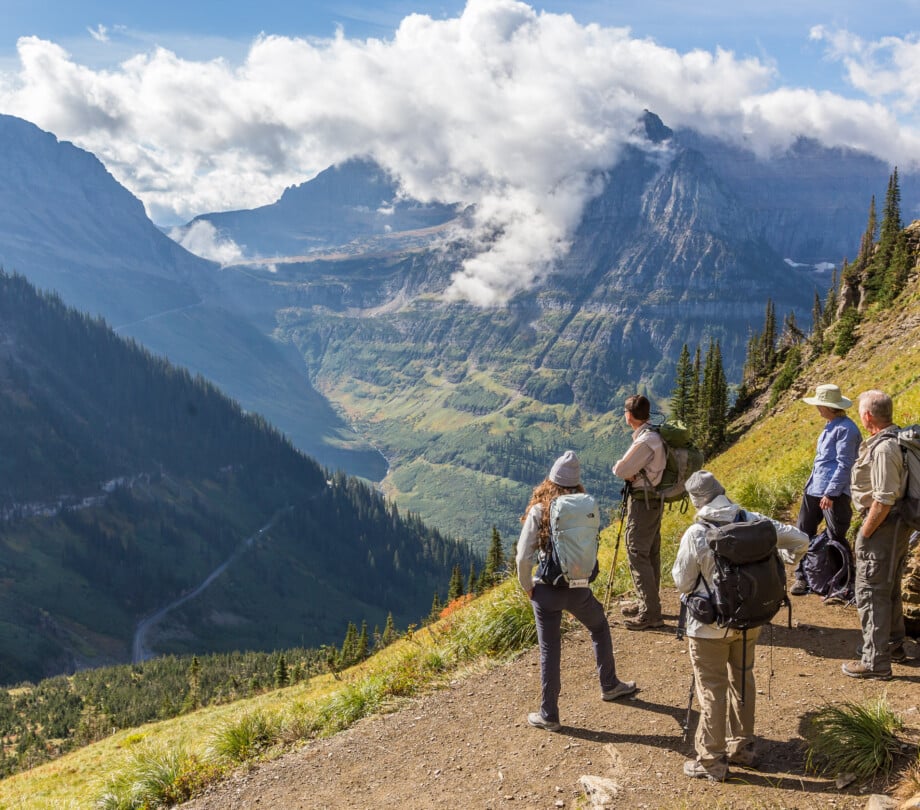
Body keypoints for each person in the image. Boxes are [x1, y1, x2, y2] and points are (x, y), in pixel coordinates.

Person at [672, 470, 807, 781]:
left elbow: (682, 581)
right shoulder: (754, 521)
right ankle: (742, 747)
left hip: (708, 627)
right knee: (742, 679)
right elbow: (801, 540)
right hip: (750, 620)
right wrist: (786, 558)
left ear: (695, 501)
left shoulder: (696, 534)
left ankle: (711, 760)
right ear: (722, 491)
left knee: (712, 689)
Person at [516, 450, 637, 731]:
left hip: (546, 590)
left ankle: (549, 715)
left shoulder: (539, 510)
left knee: (549, 649)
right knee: (599, 627)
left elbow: (523, 556)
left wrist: (528, 587)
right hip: (579, 587)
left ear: (551, 480)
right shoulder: (585, 507)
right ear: (577, 483)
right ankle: (609, 684)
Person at [842, 390, 912, 679]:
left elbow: (884, 498)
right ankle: (893, 645)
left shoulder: (884, 449)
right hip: (895, 526)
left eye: (860, 410)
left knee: (871, 590)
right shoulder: (895, 441)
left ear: (868, 416)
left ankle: (875, 661)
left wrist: (866, 533)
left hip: (883, 524)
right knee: (888, 587)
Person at [790, 384, 862, 597]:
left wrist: (830, 493)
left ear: (828, 407)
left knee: (836, 535)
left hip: (834, 492)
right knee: (803, 532)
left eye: (819, 405)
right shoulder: (831, 425)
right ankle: (803, 577)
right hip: (814, 487)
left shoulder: (847, 429)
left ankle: (843, 581)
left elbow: (844, 464)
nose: (817, 408)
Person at [612, 394, 667, 630]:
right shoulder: (652, 435)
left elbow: (621, 469)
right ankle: (648, 601)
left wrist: (628, 472)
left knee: (636, 551)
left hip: (644, 501)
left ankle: (651, 613)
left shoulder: (645, 441)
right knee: (650, 550)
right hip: (653, 500)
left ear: (629, 415)